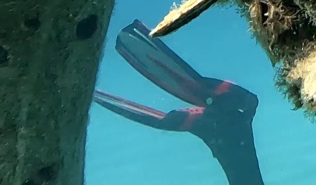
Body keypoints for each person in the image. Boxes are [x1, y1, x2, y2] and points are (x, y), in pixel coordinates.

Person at [93, 20, 265, 185]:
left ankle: (220, 113)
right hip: (228, 128)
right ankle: (220, 112)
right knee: (238, 114)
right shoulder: (234, 118)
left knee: (239, 113)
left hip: (228, 128)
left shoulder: (234, 117)